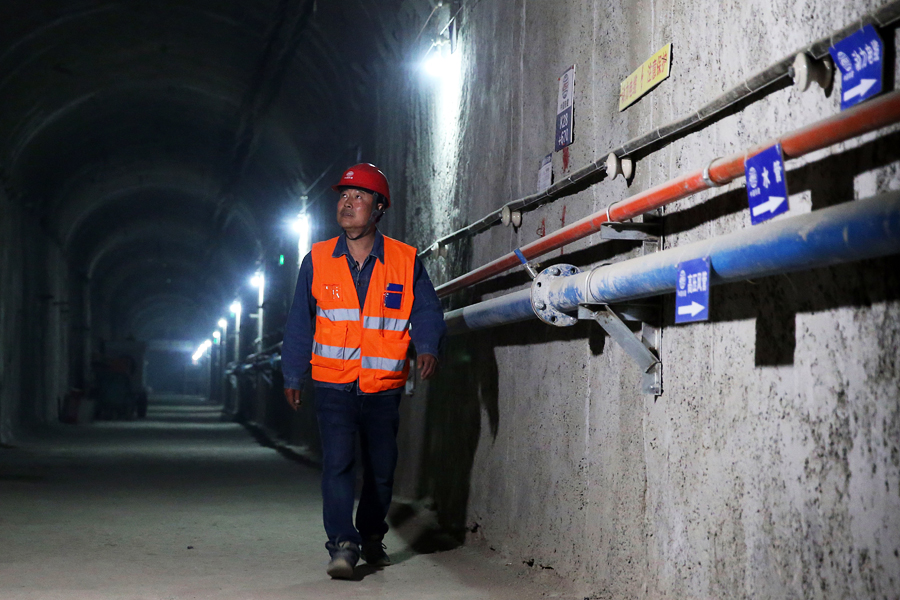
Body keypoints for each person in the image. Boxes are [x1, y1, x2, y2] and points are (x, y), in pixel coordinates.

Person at [281, 163, 446, 580]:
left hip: (382, 385)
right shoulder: (317, 260)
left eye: (359, 196)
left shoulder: (405, 261)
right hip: (332, 384)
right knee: (337, 463)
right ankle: (343, 543)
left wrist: (427, 346)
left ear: (379, 208)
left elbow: (427, 309)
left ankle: (371, 535)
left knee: (381, 468)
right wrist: (293, 373)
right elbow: (300, 322)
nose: (347, 203)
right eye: (343, 196)